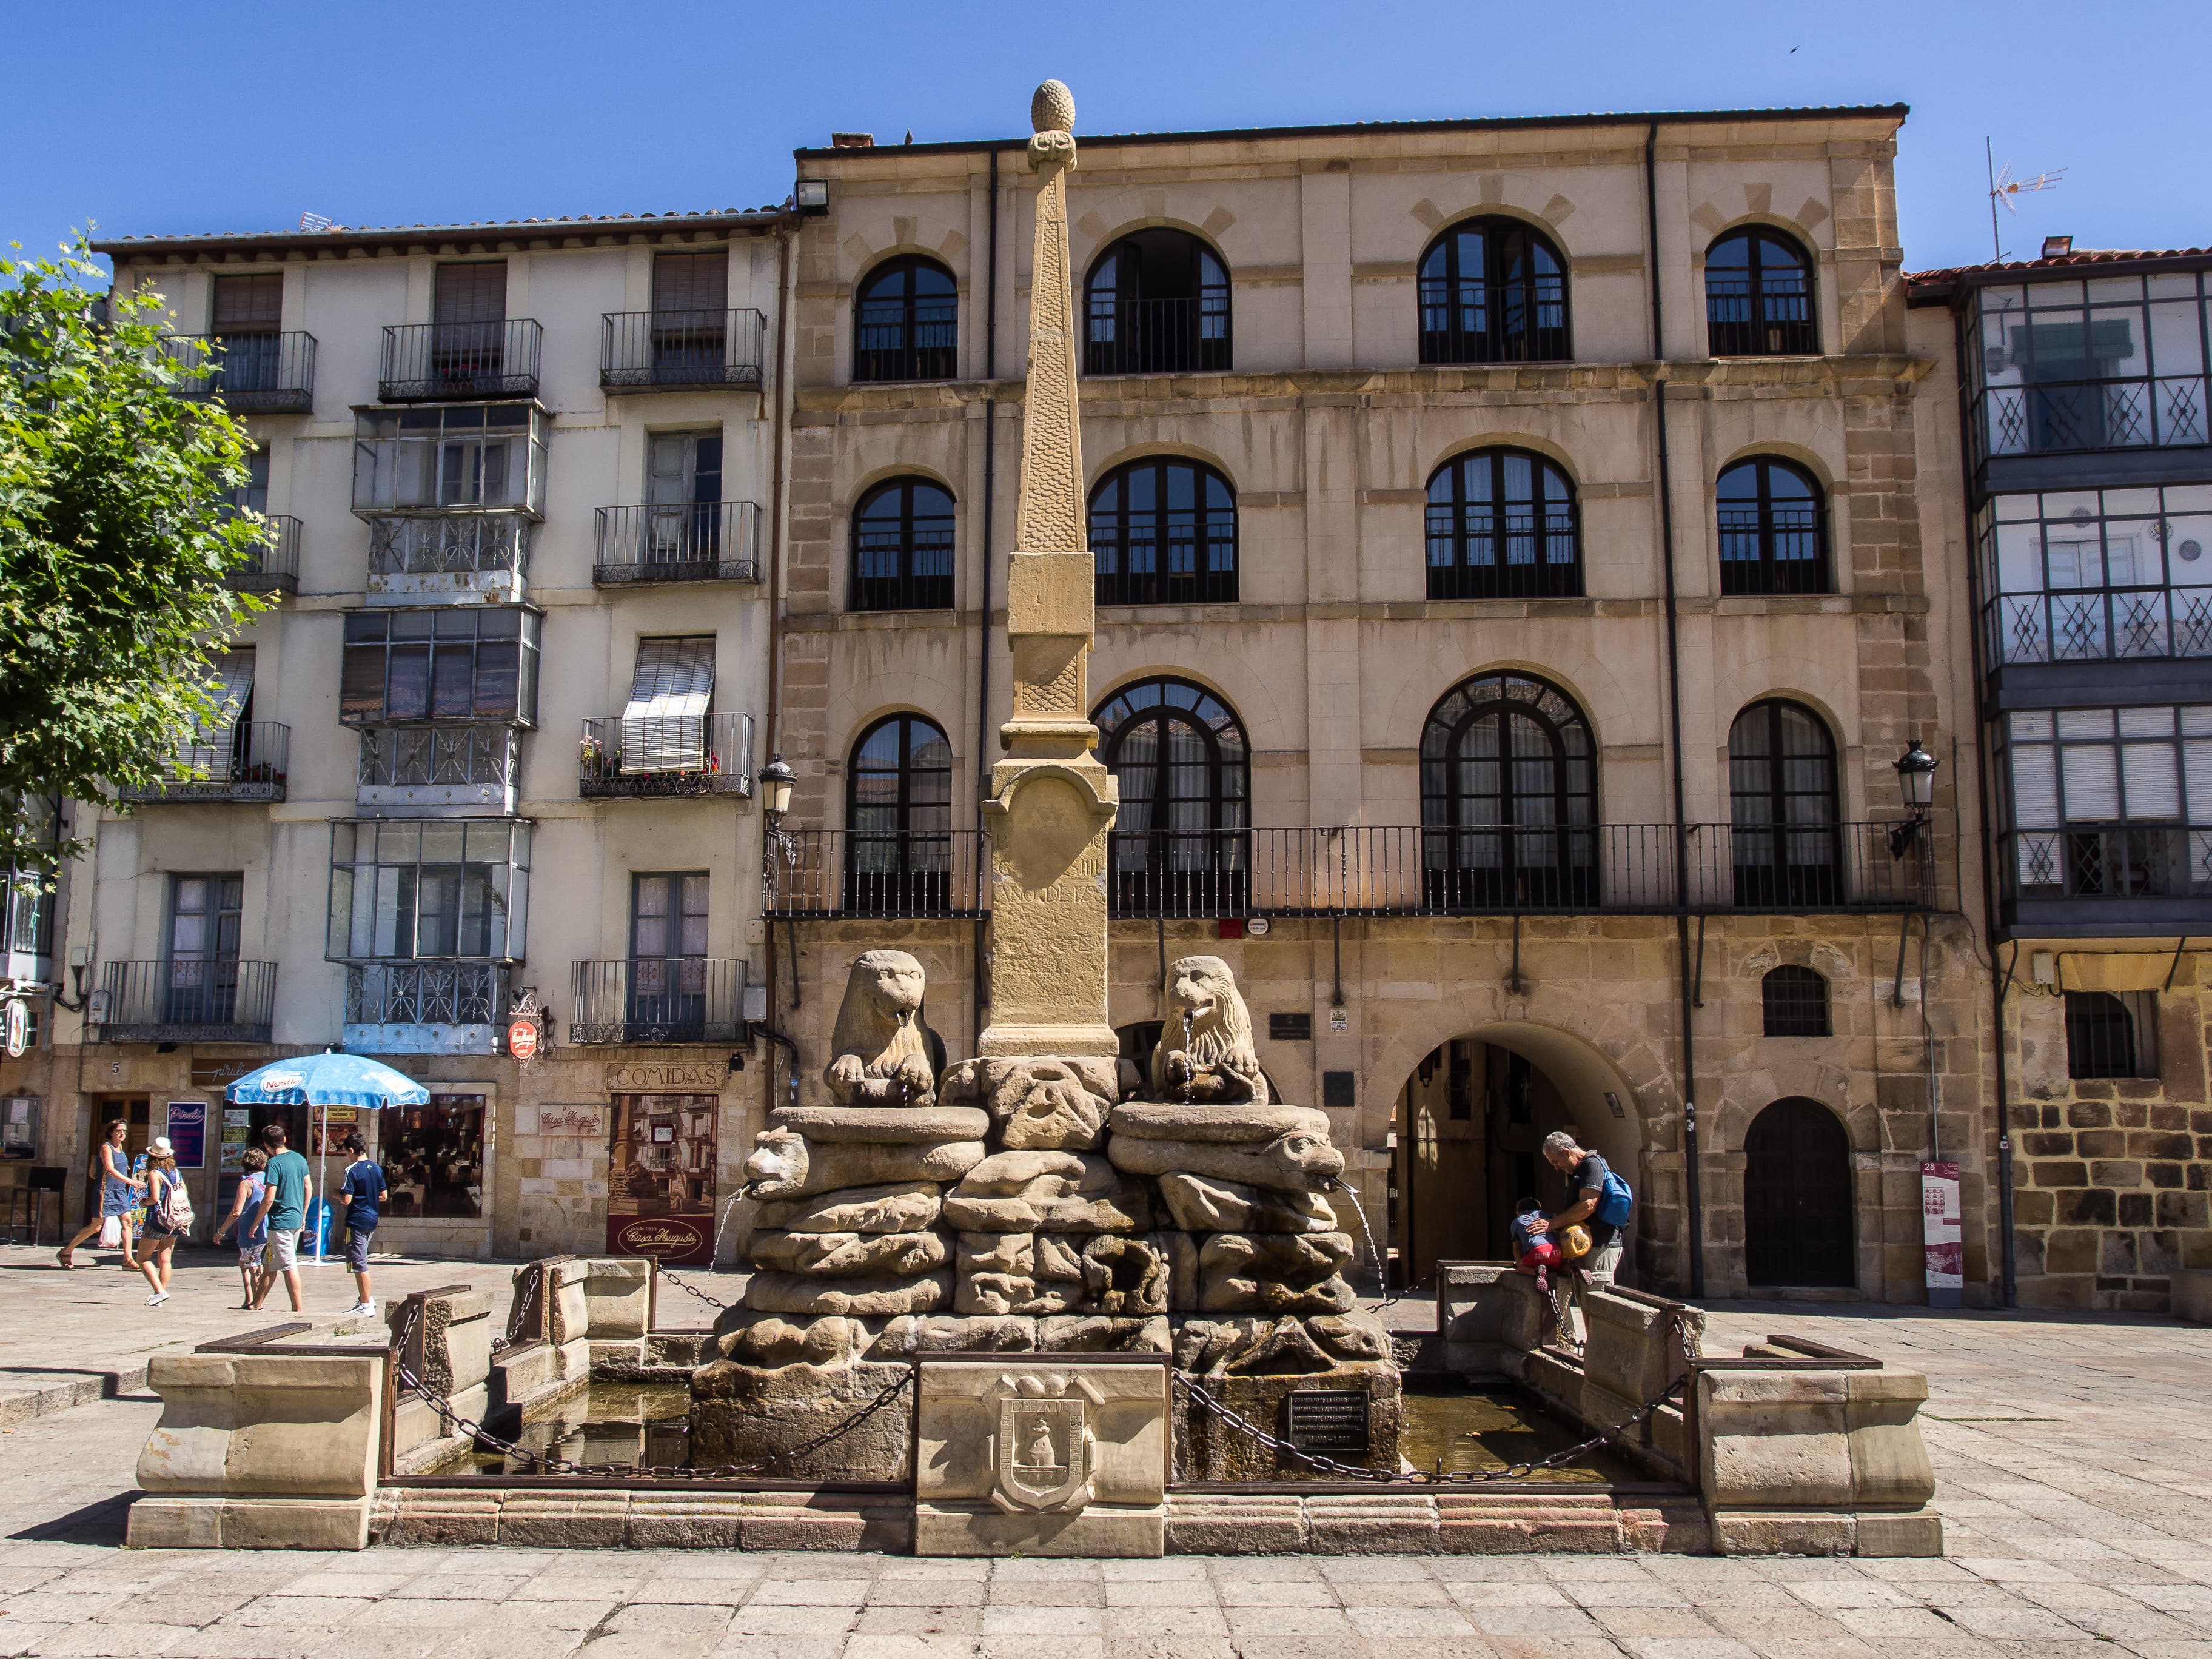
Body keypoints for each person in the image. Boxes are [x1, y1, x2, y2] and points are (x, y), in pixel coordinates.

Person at [1534, 1130, 1626, 1287]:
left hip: (1599, 1246)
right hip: (1586, 1246)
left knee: (1596, 1299)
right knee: (1586, 1301)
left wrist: (1553, 1224)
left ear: (1566, 1152)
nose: (1556, 1168)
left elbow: (1588, 1205)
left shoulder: (1592, 1165)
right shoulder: (1578, 1171)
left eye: (1556, 1162)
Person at [58, 1119, 143, 1270]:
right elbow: (110, 1169)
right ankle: (66, 1251)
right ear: (111, 1132)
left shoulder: (121, 1148)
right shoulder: (106, 1147)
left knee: (128, 1222)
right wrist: (131, 1182)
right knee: (96, 1227)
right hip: (106, 1192)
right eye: (118, 1131)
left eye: (124, 1131)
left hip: (120, 1191)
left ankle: (128, 1259)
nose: (122, 1134)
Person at [250, 1123, 312, 1313]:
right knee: (270, 1263)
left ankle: (298, 1309)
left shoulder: (274, 1164)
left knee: (288, 1265)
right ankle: (257, 1303)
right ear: (284, 1139)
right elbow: (308, 1187)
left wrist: (255, 1224)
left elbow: (269, 1198)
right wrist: (303, 1214)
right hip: (294, 1218)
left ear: (266, 1146)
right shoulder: (299, 1159)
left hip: (280, 1222)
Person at [333, 1132, 387, 1317]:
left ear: (351, 1150)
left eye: (346, 1152)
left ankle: (365, 1303)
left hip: (356, 1219)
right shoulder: (376, 1168)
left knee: (359, 1262)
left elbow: (347, 1199)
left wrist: (337, 1195)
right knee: (360, 1258)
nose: (347, 1156)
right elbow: (384, 1195)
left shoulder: (353, 1170)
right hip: (372, 1218)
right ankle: (365, 1299)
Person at [212, 1148, 270, 1309]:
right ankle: (249, 1298)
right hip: (264, 1227)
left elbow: (236, 1211)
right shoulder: (268, 1179)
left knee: (252, 1265)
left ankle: (257, 1301)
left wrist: (221, 1231)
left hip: (248, 1231)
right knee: (245, 1262)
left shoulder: (246, 1183)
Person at [136, 1138, 186, 1305]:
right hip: (175, 1220)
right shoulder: (176, 1172)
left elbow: (155, 1198)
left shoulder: (154, 1173)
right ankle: (159, 1296)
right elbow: (184, 1192)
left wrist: (144, 1202)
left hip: (158, 1220)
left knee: (142, 1258)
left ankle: (159, 1292)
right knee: (165, 1259)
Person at [1510, 1195, 1563, 1293]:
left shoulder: (1517, 1221)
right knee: (1557, 1267)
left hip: (1538, 1252)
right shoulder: (1546, 1215)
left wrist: (1518, 1263)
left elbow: (1517, 1248)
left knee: (1521, 1268)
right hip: (1555, 1251)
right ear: (1539, 1209)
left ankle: (1538, 1272)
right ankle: (1571, 1267)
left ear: (1518, 1212)